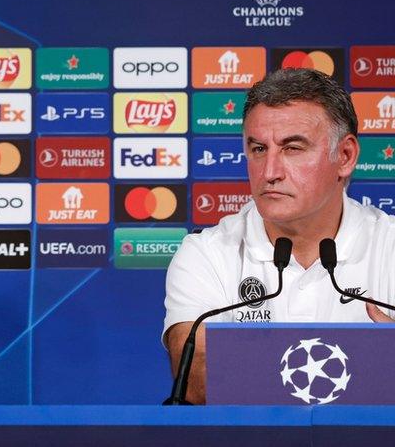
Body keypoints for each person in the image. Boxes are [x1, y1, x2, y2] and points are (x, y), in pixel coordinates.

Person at [164, 68, 395, 404]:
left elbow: (227, 380)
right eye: (258, 149)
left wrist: (248, 363)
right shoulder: (206, 253)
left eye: (292, 148)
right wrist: (377, 365)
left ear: (344, 157)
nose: (269, 172)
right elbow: (197, 385)